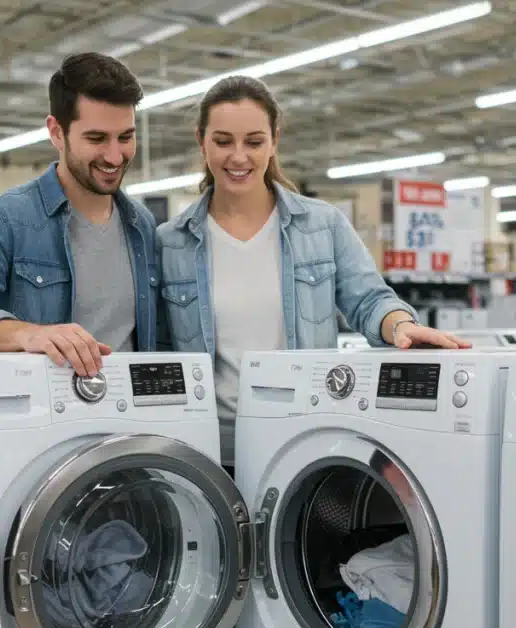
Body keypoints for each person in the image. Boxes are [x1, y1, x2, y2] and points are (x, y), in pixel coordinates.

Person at [156, 75, 469, 467]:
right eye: (223, 141)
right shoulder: (171, 242)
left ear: (274, 140)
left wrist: (400, 326)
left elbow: (370, 299)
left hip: (306, 439)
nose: (239, 156)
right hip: (211, 448)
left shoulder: (322, 225)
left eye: (254, 141)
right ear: (201, 140)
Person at [0, 53, 159, 378]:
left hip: (128, 419)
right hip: (41, 420)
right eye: (96, 138)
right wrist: (27, 334)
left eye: (126, 137)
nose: (114, 155)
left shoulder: (143, 226)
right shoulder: (4, 219)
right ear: (57, 132)